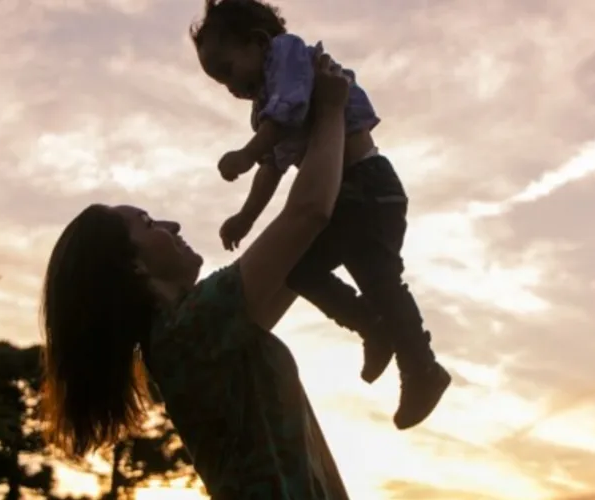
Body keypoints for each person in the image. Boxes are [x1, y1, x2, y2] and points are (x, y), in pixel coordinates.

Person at [41, 49, 352, 499]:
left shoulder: (201, 329)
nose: (173, 226)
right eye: (149, 224)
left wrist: (294, 140)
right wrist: (331, 109)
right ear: (131, 266)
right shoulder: (188, 333)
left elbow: (308, 244)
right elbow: (308, 214)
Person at [190, 0, 453, 430]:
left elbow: (290, 110)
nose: (229, 86)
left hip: (368, 187)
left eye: (226, 69)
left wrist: (246, 151)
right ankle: (371, 324)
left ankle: (421, 367)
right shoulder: (263, 107)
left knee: (380, 279)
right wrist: (246, 216)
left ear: (257, 43)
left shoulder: (288, 55)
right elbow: (273, 165)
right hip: (342, 199)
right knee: (294, 268)